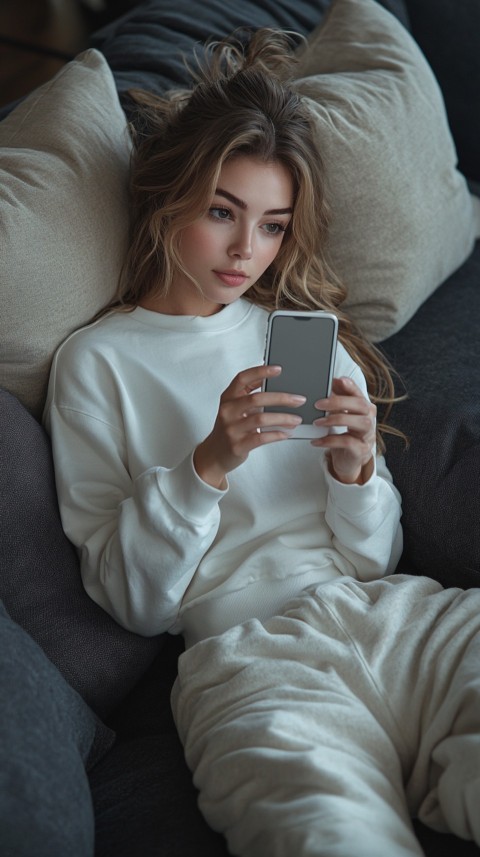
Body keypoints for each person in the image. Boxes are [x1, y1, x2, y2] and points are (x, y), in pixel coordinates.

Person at [43, 28, 480, 857]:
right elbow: (133, 601)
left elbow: (372, 559)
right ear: (167, 197)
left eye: (274, 225)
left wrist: (356, 476)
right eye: (222, 212)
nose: (249, 251)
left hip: (398, 618)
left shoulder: (299, 335)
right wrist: (207, 464)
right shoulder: (96, 365)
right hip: (250, 661)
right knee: (330, 835)